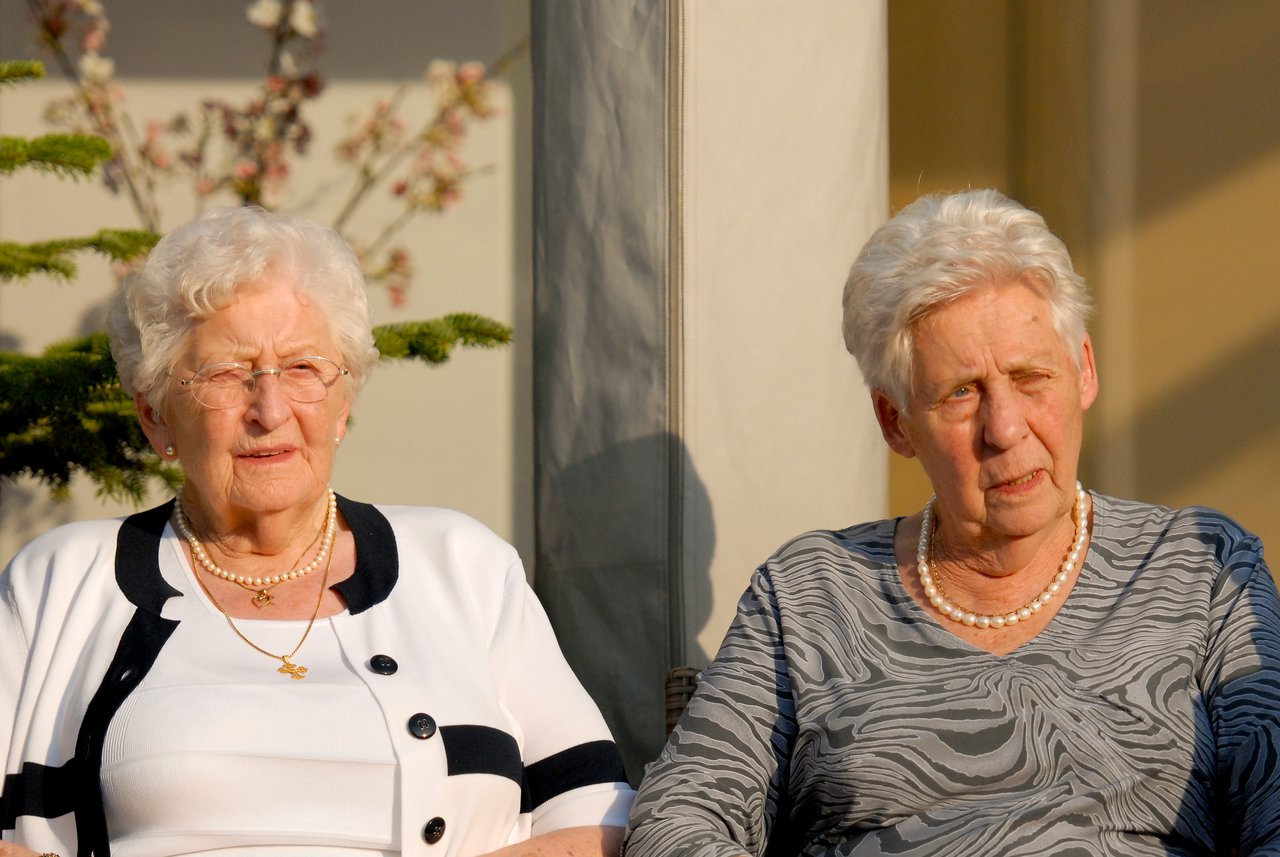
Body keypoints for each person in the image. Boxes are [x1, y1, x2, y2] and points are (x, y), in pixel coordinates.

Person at [623, 189, 1280, 855]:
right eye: (961, 393)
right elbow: (676, 821)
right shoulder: (810, 595)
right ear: (896, 421)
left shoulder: (1202, 570)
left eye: (1030, 377)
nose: (1005, 428)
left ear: (1083, 370)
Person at [0, 206, 633, 857]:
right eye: (225, 373)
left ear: (344, 402)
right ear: (156, 417)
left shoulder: (461, 566)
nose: (269, 410)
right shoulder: (62, 580)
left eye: (302, 368)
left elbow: (600, 818)